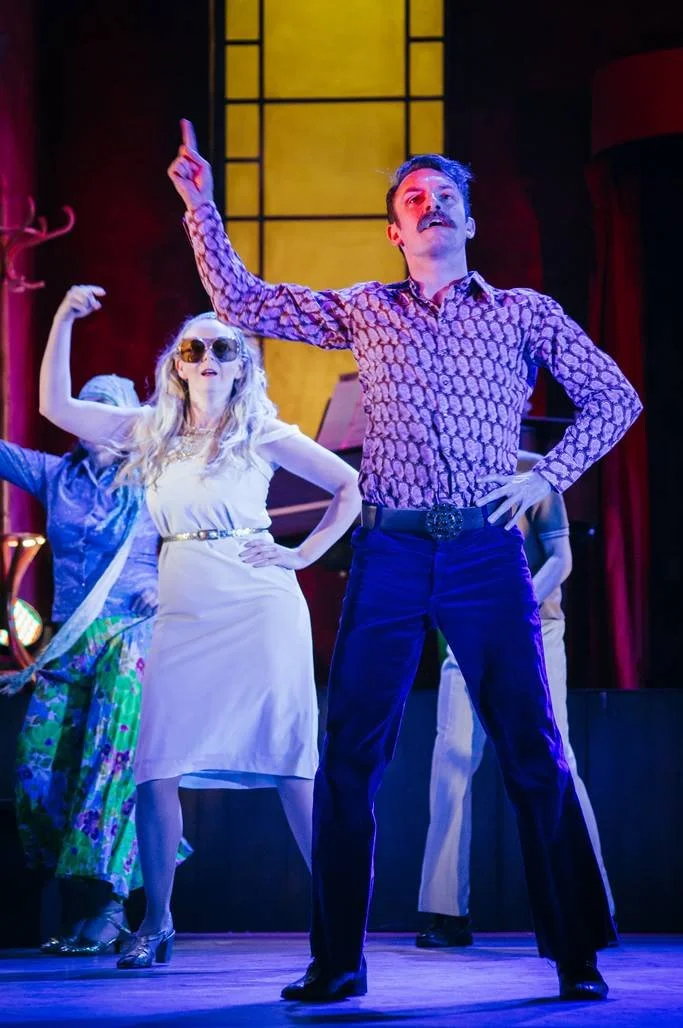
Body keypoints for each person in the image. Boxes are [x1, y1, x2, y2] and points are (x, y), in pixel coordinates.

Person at [168, 120, 642, 1001]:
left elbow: (615, 397)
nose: (431, 206)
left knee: (530, 746)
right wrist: (201, 204)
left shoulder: (523, 312)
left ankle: (575, 953)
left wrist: (545, 479)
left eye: (445, 196)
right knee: (351, 754)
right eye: (414, 199)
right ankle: (336, 962)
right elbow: (242, 300)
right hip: (388, 548)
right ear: (395, 229)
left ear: (469, 220)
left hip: (482, 550)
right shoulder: (366, 308)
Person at [38, 284, 361, 969]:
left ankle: (339, 928)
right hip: (184, 602)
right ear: (178, 365)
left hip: (259, 602)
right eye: (194, 348)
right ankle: (156, 922)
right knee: (156, 765)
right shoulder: (151, 429)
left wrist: (304, 554)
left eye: (223, 347)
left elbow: (349, 488)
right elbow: (55, 407)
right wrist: (63, 318)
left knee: (290, 763)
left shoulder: (262, 431)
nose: (209, 356)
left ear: (241, 365)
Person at [1, 371, 191, 955]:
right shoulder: (54, 475)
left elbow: (199, 537)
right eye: (90, 409)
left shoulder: (157, 473)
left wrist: (167, 584)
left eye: (113, 410)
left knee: (108, 767)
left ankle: (107, 909)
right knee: (37, 772)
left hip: (130, 636)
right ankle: (83, 899)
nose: (100, 420)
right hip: (69, 642)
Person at [417, 449, 615, 950]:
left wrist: (516, 604)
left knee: (557, 756)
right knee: (451, 758)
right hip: (466, 632)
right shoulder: (438, 470)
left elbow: (562, 559)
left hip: (535, 628)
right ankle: (446, 910)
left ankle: (591, 906)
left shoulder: (535, 472)